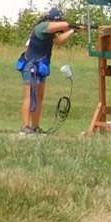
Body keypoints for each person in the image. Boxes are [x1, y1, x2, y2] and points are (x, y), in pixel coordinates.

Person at [17, 8, 77, 136]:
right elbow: (64, 25)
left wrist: (73, 30)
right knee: (30, 97)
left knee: (39, 97)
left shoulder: (49, 32)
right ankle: (25, 127)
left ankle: (35, 126)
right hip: (31, 65)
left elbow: (58, 41)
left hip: (40, 66)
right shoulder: (42, 26)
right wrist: (71, 25)